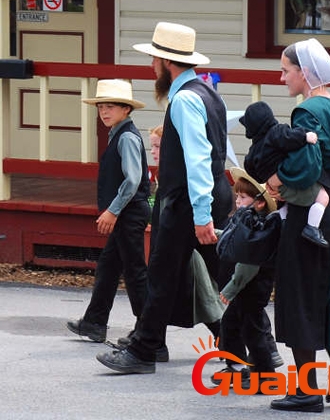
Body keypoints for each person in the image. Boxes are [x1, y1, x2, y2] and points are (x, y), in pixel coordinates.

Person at [96, 21, 233, 374]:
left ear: (166, 62)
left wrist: (201, 213)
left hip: (187, 200)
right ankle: (240, 346)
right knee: (208, 274)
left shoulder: (186, 99)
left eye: (154, 59)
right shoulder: (208, 94)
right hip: (207, 194)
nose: (151, 66)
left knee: (163, 274)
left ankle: (146, 348)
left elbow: (198, 157)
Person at [265, 38, 330, 413]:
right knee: (325, 292)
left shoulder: (306, 112)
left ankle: (307, 390)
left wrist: (276, 179)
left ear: (304, 72)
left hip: (310, 211)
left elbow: (306, 166)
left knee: (299, 296)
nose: (282, 78)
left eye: (286, 70)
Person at [117, 123, 223, 351]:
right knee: (167, 294)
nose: (153, 152)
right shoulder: (165, 174)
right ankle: (154, 340)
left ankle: (227, 339)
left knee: (201, 299)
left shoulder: (178, 175)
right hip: (169, 241)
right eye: (152, 147)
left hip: (181, 244)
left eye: (157, 147)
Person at [66, 79, 150, 343]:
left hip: (129, 213)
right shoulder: (118, 133)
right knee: (109, 267)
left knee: (135, 272)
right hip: (124, 212)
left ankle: (149, 333)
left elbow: (133, 180)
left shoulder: (125, 137)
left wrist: (112, 211)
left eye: (111, 106)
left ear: (126, 109)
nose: (104, 111)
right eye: (101, 106)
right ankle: (94, 322)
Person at [211, 167, 283, 391]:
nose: (238, 201)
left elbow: (248, 264)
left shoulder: (257, 227)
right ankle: (236, 366)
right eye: (237, 196)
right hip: (246, 288)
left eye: (243, 197)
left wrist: (231, 288)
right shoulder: (247, 220)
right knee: (232, 322)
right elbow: (235, 239)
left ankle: (265, 376)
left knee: (253, 332)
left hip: (251, 288)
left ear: (260, 202)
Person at [240, 100, 330, 248]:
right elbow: (290, 137)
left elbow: (250, 168)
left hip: (276, 189)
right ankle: (312, 227)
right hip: (288, 183)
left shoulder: (254, 149)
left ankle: (280, 220)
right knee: (322, 195)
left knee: (285, 203)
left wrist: (267, 180)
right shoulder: (275, 132)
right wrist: (306, 136)